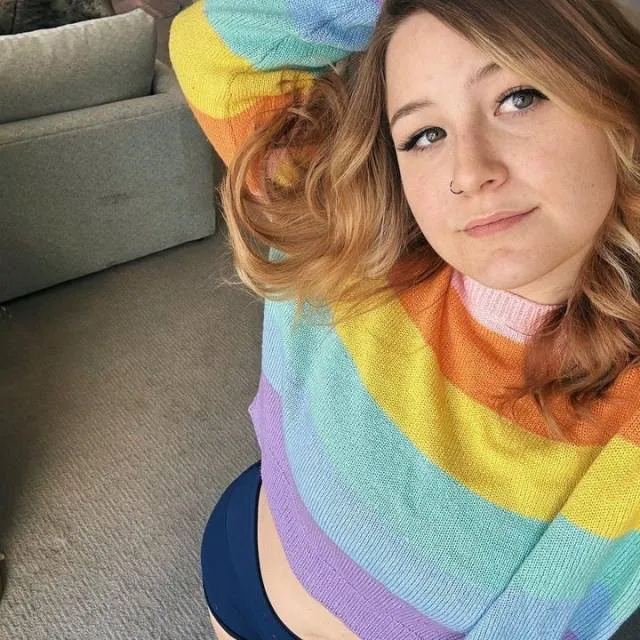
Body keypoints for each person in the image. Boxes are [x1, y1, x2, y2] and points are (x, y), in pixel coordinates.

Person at [169, 0, 640, 638]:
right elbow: (212, 51)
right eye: (425, 135)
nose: (469, 173)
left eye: (518, 98)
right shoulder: (352, 242)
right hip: (240, 557)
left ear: (614, 102)